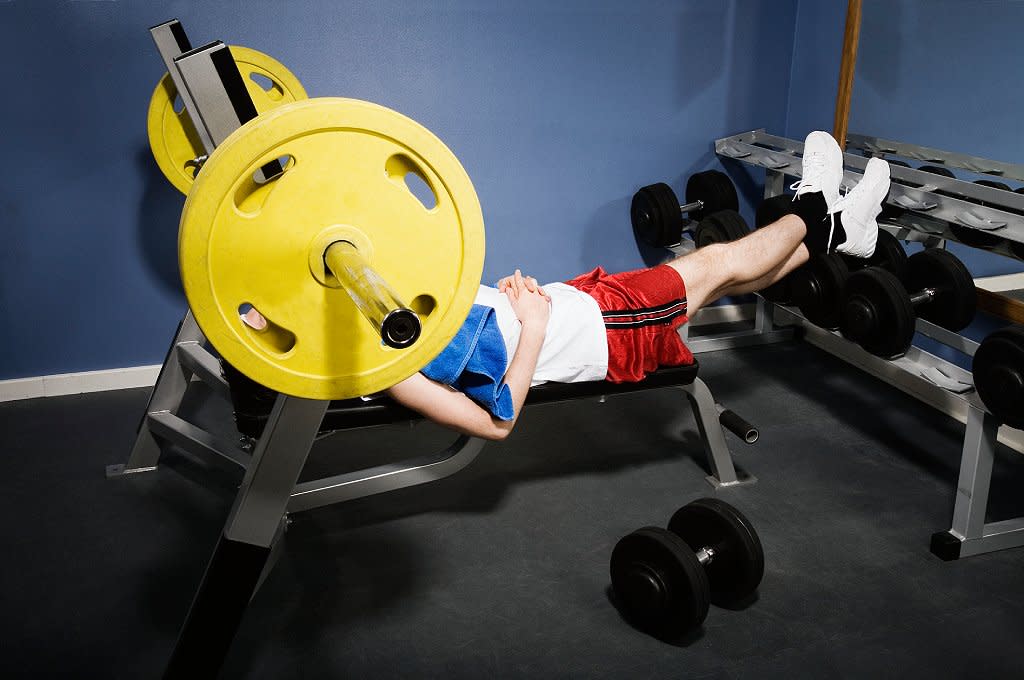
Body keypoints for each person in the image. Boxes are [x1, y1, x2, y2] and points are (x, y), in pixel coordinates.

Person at [244, 131, 891, 441]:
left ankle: (836, 235)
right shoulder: (387, 358)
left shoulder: (360, 299)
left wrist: (506, 297)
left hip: (583, 304)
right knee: (720, 264)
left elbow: (268, 327)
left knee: (721, 279)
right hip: (604, 332)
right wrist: (527, 323)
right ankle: (817, 211)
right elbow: (496, 424)